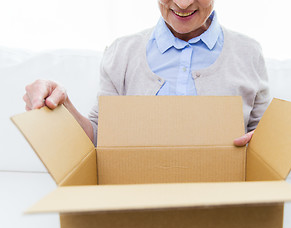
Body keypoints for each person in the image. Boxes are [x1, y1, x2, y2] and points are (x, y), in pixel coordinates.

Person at [23, 0, 270, 147]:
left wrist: (264, 143)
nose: (182, 4)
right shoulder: (121, 53)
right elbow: (100, 140)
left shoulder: (249, 53)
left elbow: (264, 139)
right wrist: (61, 106)